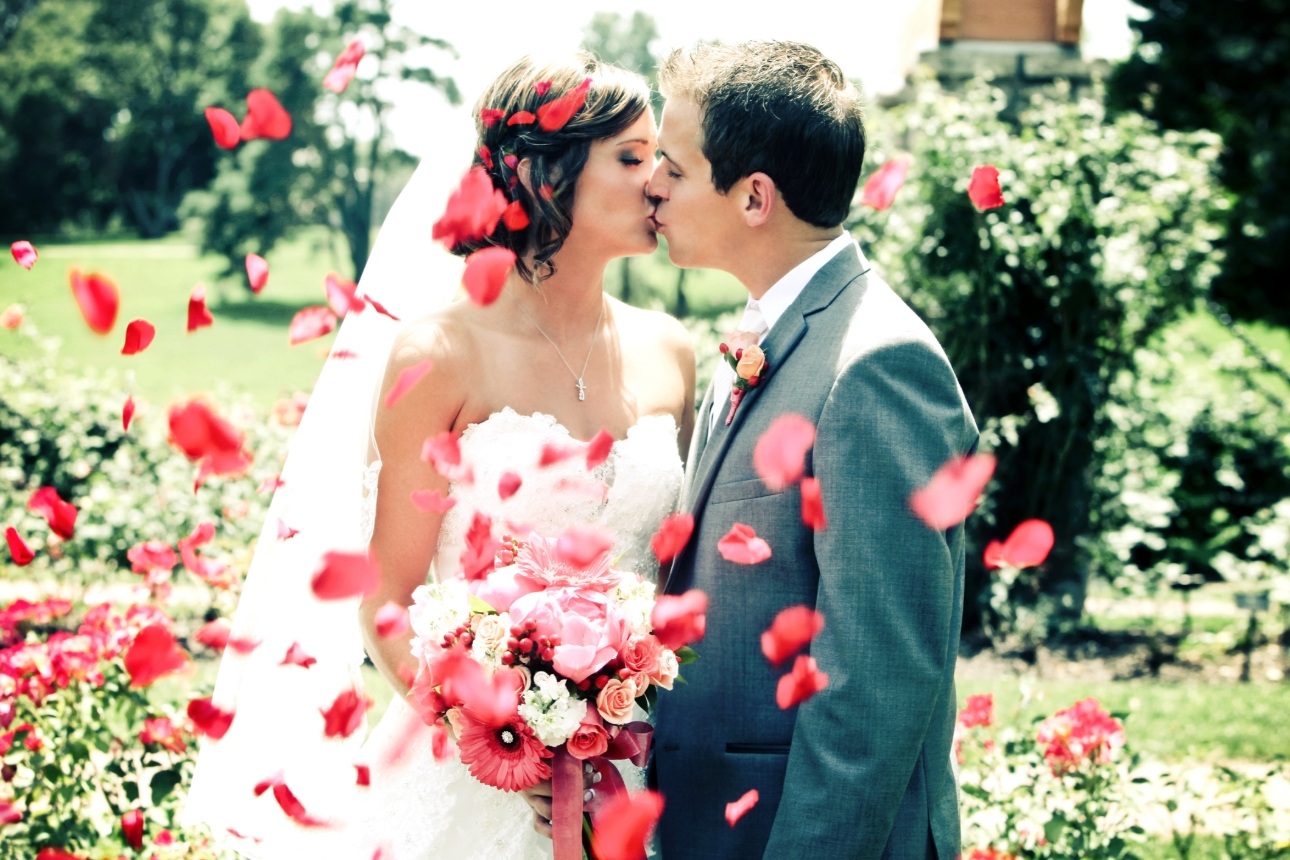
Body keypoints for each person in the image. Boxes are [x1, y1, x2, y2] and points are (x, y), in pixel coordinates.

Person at [184, 53, 694, 860]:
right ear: (540, 173)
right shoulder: (442, 354)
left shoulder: (671, 351)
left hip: (642, 770)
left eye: (659, 156)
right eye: (631, 157)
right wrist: (503, 743)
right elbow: (386, 599)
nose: (659, 180)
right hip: (473, 785)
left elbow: (674, 580)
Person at [645, 41, 978, 859]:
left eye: (675, 168)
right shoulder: (771, 333)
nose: (651, 184)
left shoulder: (875, 367)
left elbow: (875, 681)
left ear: (754, 197)